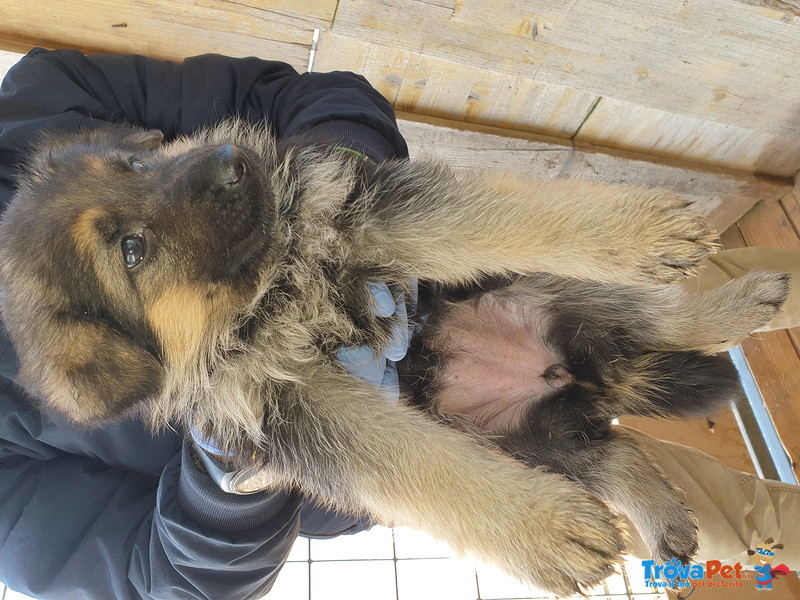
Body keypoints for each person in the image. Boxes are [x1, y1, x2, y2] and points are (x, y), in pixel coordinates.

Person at [0, 48, 798, 600]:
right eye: (133, 248)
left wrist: (347, 191)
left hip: (491, 269)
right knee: (722, 524)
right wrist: (226, 470)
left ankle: (696, 324)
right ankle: (699, 511)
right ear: (115, 355)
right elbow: (170, 583)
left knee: (687, 296)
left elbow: (308, 98)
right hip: (448, 453)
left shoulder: (34, 104)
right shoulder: (68, 388)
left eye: (138, 163)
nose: (207, 164)